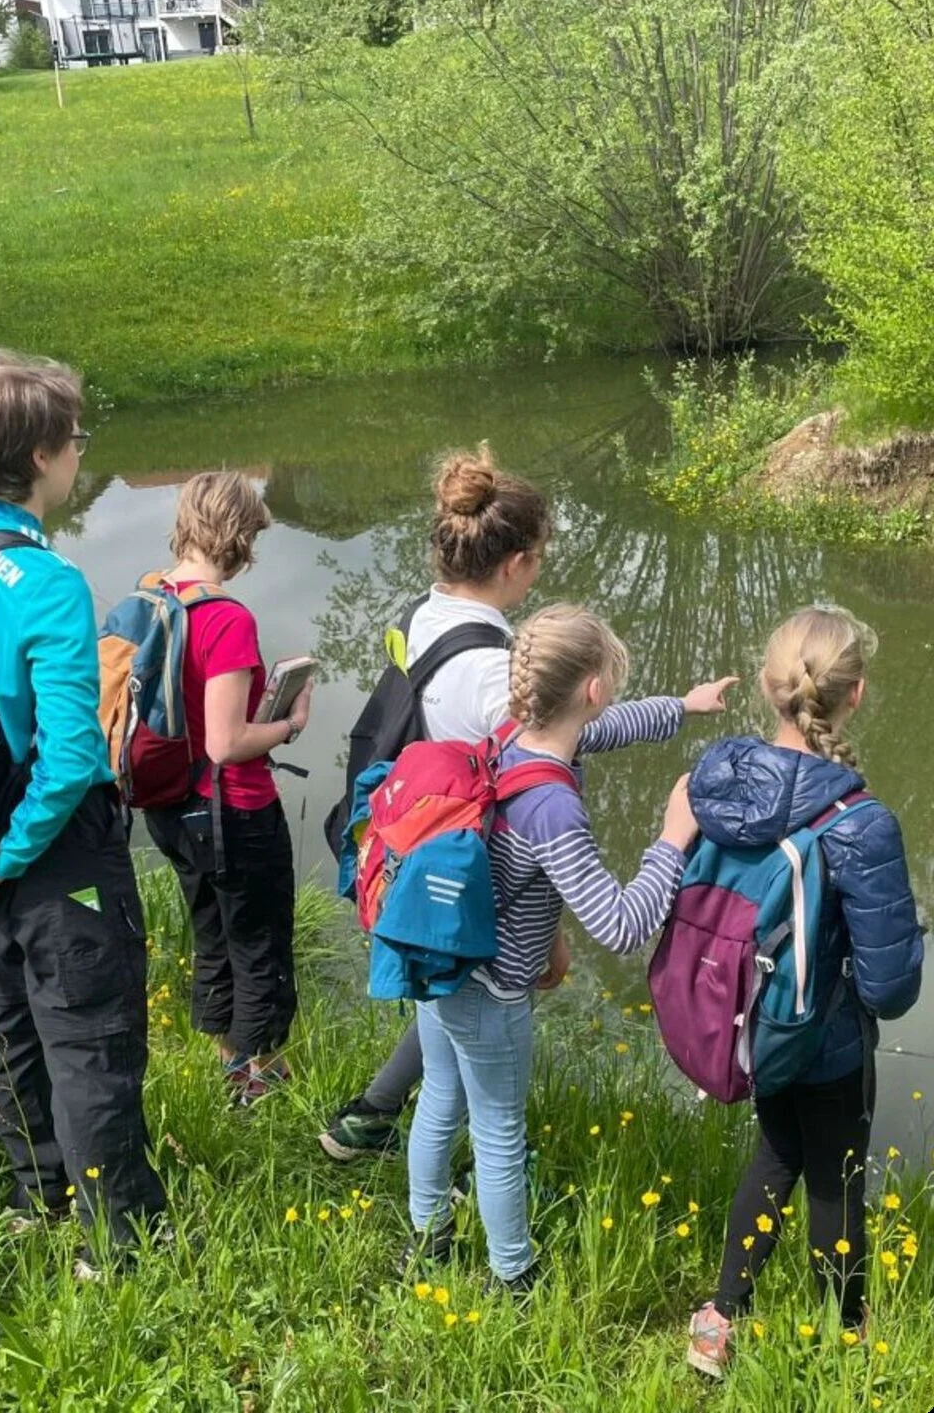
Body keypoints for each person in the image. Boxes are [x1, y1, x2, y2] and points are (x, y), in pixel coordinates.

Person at [0, 349, 166, 1274]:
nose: (80, 453)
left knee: (7, 1028)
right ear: (43, 457)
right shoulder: (46, 581)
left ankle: (39, 1199)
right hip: (46, 851)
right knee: (89, 1042)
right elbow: (66, 761)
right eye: (76, 439)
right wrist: (9, 858)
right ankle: (119, 1246)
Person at [404, 603, 734, 1291]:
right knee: (499, 1130)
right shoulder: (552, 806)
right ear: (592, 687)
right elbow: (620, 925)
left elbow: (610, 726)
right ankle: (513, 1274)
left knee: (439, 1095)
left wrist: (684, 705)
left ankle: (427, 1235)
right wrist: (673, 837)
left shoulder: (510, 735)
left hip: (442, 959)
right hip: (493, 990)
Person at [685, 607, 922, 1377]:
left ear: (766, 684)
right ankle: (846, 1336)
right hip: (826, 1042)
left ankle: (718, 1321)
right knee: (836, 1179)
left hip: (747, 1021)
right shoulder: (861, 821)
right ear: (856, 695)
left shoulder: (718, 784)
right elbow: (890, 989)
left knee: (775, 1151)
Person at [321, 446, 551, 1160]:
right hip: (463, 865)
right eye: (539, 557)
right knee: (476, 1020)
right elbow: (537, 788)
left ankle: (369, 1117)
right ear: (516, 563)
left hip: (405, 836)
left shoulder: (425, 613)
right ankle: (489, 1177)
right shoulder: (494, 673)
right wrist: (550, 930)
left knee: (444, 1002)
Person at [142, 471, 311, 1104]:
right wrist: (290, 724)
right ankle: (255, 1081)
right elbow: (227, 742)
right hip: (233, 810)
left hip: (170, 802)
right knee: (260, 942)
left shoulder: (153, 594)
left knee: (213, 932)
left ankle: (226, 1058)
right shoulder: (227, 619)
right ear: (240, 536)